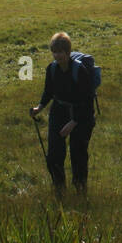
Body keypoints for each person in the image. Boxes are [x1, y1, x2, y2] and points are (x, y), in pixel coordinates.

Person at [30, 32, 95, 199]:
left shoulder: (79, 71)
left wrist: (73, 123)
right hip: (59, 111)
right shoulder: (51, 69)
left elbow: (88, 102)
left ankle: (80, 190)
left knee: (78, 153)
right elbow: (48, 91)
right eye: (54, 52)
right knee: (53, 155)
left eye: (61, 52)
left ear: (68, 52)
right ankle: (59, 189)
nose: (57, 55)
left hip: (82, 115)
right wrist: (39, 107)